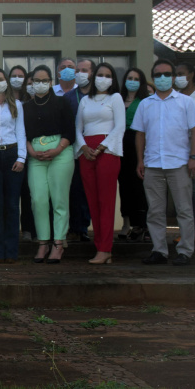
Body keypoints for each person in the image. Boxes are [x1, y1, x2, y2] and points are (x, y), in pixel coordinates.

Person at [132, 59, 195, 266]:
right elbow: (140, 134)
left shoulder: (185, 102)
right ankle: (159, 251)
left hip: (180, 163)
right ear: (153, 78)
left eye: (166, 74)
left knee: (184, 210)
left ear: (173, 77)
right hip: (153, 164)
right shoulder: (146, 104)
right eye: (158, 75)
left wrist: (193, 157)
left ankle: (185, 252)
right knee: (155, 211)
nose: (162, 78)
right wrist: (140, 160)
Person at [23, 65, 75, 264]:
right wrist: (31, 151)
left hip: (60, 154)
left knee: (59, 199)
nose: (40, 84)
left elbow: (70, 131)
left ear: (51, 82)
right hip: (35, 155)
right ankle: (43, 242)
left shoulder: (62, 102)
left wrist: (58, 149)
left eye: (44, 80)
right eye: (37, 80)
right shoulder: (26, 106)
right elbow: (23, 134)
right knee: (38, 199)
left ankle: (58, 243)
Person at [74, 63, 124, 264]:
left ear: (112, 79)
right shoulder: (85, 100)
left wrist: (102, 147)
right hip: (87, 151)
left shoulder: (116, 98)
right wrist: (84, 147)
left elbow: (120, 126)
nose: (103, 78)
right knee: (92, 202)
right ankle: (100, 247)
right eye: (100, 75)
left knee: (106, 201)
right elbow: (78, 127)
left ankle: (105, 248)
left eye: (108, 75)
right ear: (94, 78)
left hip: (108, 151)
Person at [0, 68, 26, 264]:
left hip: (12, 155)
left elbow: (21, 131)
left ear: (6, 82)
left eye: (1, 79)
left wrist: (21, 158)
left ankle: (11, 251)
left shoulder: (16, 105)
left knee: (11, 204)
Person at [174, 62, 195, 247]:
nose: (179, 77)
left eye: (182, 73)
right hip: (179, 150)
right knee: (181, 193)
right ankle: (184, 232)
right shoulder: (173, 96)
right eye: (176, 74)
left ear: (192, 74)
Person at [63, 58, 94, 243]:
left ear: (92, 73)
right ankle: (72, 227)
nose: (81, 73)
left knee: (87, 191)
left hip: (92, 149)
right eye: (79, 70)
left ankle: (83, 227)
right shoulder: (68, 97)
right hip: (72, 149)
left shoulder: (98, 96)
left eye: (85, 70)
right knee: (73, 190)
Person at [118, 68, 149, 242]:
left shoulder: (145, 101)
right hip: (118, 144)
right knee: (123, 185)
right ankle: (126, 223)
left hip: (137, 143)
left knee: (138, 185)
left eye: (136, 78)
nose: (132, 81)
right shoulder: (118, 98)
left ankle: (141, 224)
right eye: (129, 78)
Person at [9, 65, 35, 242]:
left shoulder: (29, 100)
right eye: (14, 75)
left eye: (21, 76)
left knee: (28, 192)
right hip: (13, 151)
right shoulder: (6, 100)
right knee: (11, 195)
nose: (17, 78)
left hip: (32, 151)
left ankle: (28, 228)